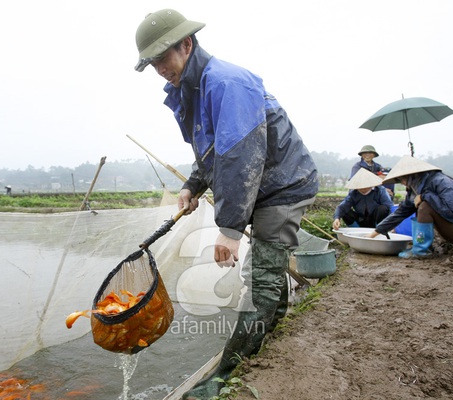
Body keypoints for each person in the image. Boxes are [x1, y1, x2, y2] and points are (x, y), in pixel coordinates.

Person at [134, 9, 319, 400]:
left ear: (187, 44)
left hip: (282, 186)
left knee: (261, 277)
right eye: (152, 63)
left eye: (163, 57)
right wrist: (193, 184)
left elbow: (239, 155)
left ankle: (226, 375)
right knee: (268, 269)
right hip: (260, 185)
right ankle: (273, 334)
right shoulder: (194, 88)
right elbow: (213, 150)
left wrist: (230, 229)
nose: (160, 69)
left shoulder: (226, 83)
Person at [369, 155, 453, 258]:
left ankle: (420, 251)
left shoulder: (441, 182)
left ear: (412, 175)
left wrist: (426, 196)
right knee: (421, 205)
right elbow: (401, 212)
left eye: (402, 179)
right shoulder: (415, 189)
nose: (402, 182)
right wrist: (375, 233)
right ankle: (422, 246)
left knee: (425, 206)